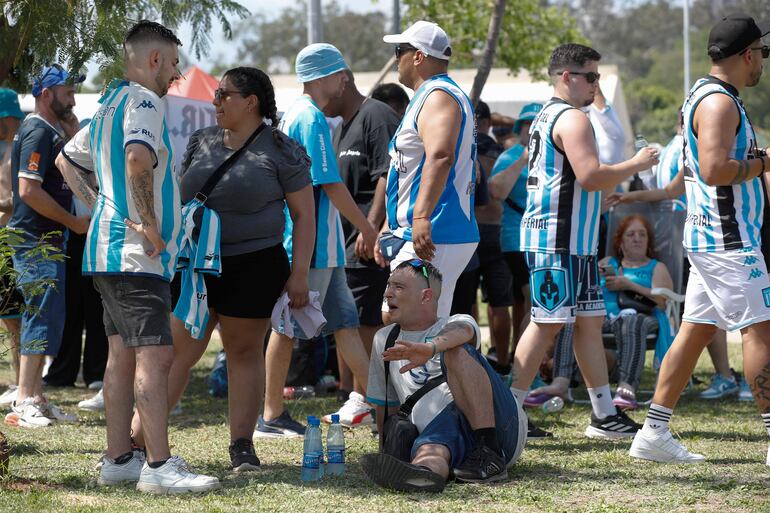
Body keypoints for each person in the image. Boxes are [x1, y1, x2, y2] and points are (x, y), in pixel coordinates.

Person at [57, 20, 219, 493]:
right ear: (153, 60)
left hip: (109, 250)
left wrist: (102, 206)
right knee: (157, 354)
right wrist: (148, 224)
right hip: (135, 256)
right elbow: (136, 159)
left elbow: (67, 159)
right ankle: (158, 466)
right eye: (172, 63)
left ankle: (118, 459)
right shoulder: (144, 101)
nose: (176, 74)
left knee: (121, 356)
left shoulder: (109, 104)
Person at [126, 67, 314, 470]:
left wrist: (299, 274)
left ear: (251, 102)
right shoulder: (201, 140)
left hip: (255, 264)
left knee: (244, 351)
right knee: (175, 353)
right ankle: (138, 441)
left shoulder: (282, 149)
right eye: (216, 94)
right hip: (195, 264)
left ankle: (242, 446)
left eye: (224, 95)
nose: (215, 101)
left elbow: (304, 216)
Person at [629, 13, 770, 466]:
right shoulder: (719, 103)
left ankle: (653, 431)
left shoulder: (708, 95)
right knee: (760, 329)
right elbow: (711, 169)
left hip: (712, 238)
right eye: (762, 54)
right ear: (747, 54)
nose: (762, 64)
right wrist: (762, 164)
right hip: (729, 241)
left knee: (695, 331)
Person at [508, 43, 659, 439]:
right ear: (566, 77)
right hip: (556, 241)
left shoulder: (550, 114)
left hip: (575, 242)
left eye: (598, 76)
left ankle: (604, 415)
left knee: (589, 323)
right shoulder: (572, 118)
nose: (596, 84)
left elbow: (580, 182)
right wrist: (636, 165)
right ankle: (507, 414)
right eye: (590, 76)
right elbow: (590, 175)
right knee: (546, 325)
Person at [260, 43, 377, 436]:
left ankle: (382, 406)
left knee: (346, 324)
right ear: (322, 75)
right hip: (312, 246)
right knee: (286, 326)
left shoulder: (299, 114)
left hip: (322, 248)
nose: (346, 78)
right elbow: (330, 185)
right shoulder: (310, 118)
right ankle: (271, 414)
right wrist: (366, 227)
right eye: (340, 71)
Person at [360, 260, 526, 492]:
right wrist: (388, 451)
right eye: (388, 285)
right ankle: (423, 474)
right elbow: (386, 405)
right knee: (431, 448)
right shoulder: (383, 339)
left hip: (500, 429)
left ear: (426, 296)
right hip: (441, 434)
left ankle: (490, 453)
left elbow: (464, 333)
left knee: (456, 352)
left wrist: (430, 349)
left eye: (398, 287)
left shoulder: (454, 323)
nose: (388, 293)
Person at [4, 65, 88, 429]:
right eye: (67, 91)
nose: (72, 97)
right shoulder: (37, 130)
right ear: (46, 94)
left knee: (47, 315)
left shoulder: (50, 130)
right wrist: (71, 222)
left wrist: (71, 134)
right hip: (36, 239)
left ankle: (36, 394)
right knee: (38, 315)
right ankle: (25, 399)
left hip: (49, 239)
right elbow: (27, 190)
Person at [378, 20, 479, 319]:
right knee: (427, 324)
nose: (397, 59)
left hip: (437, 228)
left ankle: (460, 357)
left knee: (398, 314)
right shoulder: (432, 95)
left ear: (418, 56)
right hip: (433, 229)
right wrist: (390, 224)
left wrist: (421, 216)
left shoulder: (438, 96)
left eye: (400, 51)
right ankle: (446, 363)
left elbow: (440, 156)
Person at [321, 70, 399, 410]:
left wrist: (372, 225)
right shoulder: (340, 126)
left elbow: (388, 172)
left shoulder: (376, 115)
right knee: (345, 320)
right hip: (344, 241)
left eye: (314, 84)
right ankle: (351, 393)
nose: (311, 94)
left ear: (342, 81)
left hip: (369, 242)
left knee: (365, 320)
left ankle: (372, 398)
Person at [489, 102, 542, 354]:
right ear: (520, 129)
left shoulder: (554, 158)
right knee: (535, 300)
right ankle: (523, 369)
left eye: (537, 124)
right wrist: (523, 159)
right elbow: (496, 190)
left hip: (546, 238)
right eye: (527, 124)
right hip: (517, 239)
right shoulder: (510, 157)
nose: (532, 129)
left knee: (529, 302)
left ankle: (523, 360)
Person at [0, 88, 25, 407]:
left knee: (17, 316)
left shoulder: (21, 144)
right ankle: (18, 379)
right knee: (8, 316)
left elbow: (22, 194)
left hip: (15, 237)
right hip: (3, 236)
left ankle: (24, 382)